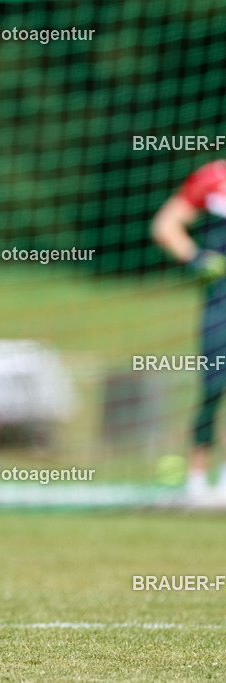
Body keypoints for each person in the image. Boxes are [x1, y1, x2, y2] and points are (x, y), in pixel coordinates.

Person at [152, 160, 226, 497]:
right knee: (213, 387)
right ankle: (196, 482)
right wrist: (195, 258)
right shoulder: (213, 178)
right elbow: (165, 225)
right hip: (220, 303)